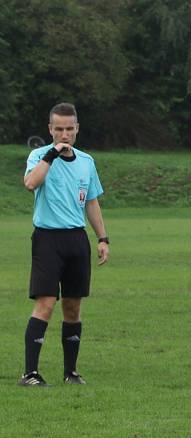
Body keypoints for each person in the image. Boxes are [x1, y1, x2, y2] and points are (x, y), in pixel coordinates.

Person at [19, 102, 109, 387]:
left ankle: (71, 372)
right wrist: (51, 154)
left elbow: (92, 202)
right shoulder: (38, 156)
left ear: (77, 129)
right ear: (50, 129)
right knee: (45, 304)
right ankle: (30, 373)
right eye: (59, 129)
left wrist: (102, 238)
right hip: (47, 238)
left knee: (72, 307)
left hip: (76, 240)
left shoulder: (86, 162)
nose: (64, 134)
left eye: (69, 129)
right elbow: (31, 183)